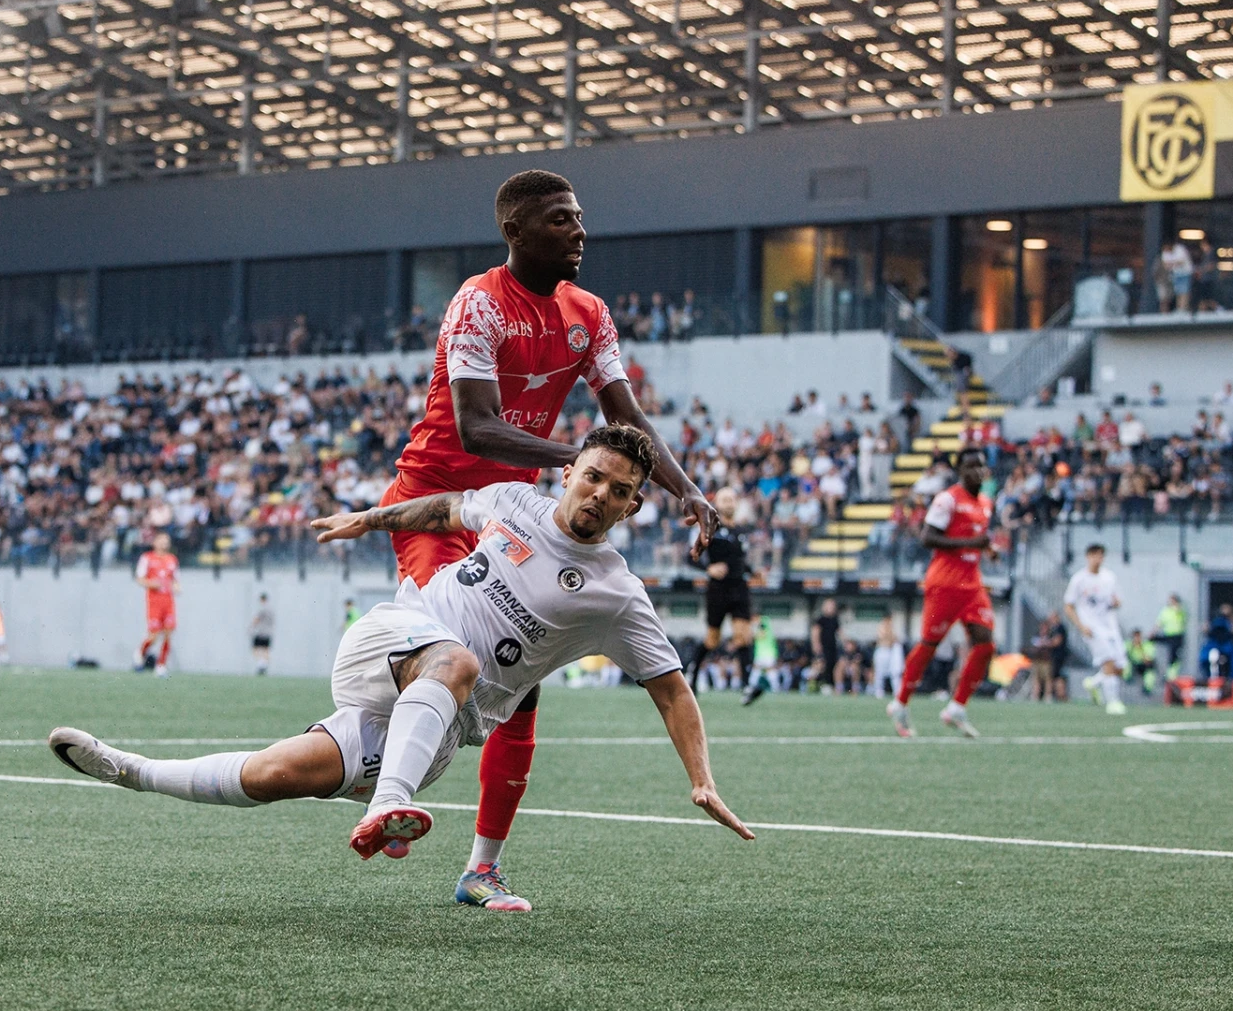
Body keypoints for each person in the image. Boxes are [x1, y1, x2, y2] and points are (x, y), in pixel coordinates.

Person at [49, 426, 753, 902]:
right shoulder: (514, 502)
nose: (601, 494)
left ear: (631, 507)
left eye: (620, 490)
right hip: (394, 639)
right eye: (594, 476)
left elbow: (671, 690)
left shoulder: (616, 595)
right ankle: (391, 804)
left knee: (272, 776)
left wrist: (702, 780)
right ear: (570, 472)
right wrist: (368, 519)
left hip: (437, 725)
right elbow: (448, 509)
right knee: (456, 660)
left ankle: (129, 771)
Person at [376, 170, 716, 910]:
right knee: (440, 656)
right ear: (517, 232)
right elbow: (475, 425)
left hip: (521, 517)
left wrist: (684, 489)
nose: (580, 232)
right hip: (440, 502)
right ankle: (387, 782)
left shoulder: (588, 313)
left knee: (520, 691)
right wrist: (578, 463)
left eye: (582, 218)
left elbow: (625, 416)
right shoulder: (478, 303)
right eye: (562, 220)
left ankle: (481, 869)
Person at [888, 448, 991, 739]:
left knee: (985, 644)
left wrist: (988, 549)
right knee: (930, 644)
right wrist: (973, 542)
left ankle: (957, 707)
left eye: (980, 467)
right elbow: (927, 537)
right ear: (960, 472)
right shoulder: (947, 499)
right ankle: (900, 703)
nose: (977, 472)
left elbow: (978, 540)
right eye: (970, 467)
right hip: (944, 584)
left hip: (972, 584)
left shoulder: (985, 503)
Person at [688, 486, 755, 703]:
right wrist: (708, 569)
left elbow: (740, 561)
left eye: (732, 499)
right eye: (725, 500)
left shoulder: (741, 531)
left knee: (743, 636)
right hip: (718, 590)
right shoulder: (711, 529)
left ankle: (747, 686)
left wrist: (754, 572)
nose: (729, 503)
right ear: (717, 504)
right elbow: (690, 557)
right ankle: (693, 674)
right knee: (712, 640)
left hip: (740, 589)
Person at [1063, 543, 1126, 716]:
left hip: (1110, 626)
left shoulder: (1109, 577)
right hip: (1092, 627)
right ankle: (1112, 702)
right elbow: (1068, 605)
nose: (1098, 559)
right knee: (1109, 662)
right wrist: (1081, 626)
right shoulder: (1079, 579)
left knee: (1120, 667)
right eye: (1094, 555)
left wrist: (1116, 602)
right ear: (1088, 557)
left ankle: (1094, 683)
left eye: (1101, 555)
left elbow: (1117, 600)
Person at [134, 531, 179, 678]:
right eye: (162, 540)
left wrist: (177, 587)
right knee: (153, 635)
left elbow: (176, 579)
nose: (165, 543)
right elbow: (139, 578)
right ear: (155, 542)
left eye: (167, 540)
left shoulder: (172, 559)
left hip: (168, 601)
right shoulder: (147, 558)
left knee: (168, 633)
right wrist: (150, 583)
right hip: (154, 602)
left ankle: (161, 665)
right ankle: (140, 652)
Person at [809, 599, 841, 693]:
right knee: (821, 666)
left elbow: (839, 632)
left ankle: (829, 685)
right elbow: (815, 632)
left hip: (832, 648)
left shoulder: (835, 620)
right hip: (823, 647)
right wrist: (816, 644)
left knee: (832, 666)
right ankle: (816, 685)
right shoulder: (821, 619)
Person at [1152, 593, 1187, 679]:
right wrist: (1153, 632)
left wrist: (1177, 609)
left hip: (1177, 635)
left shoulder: (1180, 610)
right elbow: (1159, 622)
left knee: (1175, 655)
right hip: (1168, 635)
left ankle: (1171, 675)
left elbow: (1184, 618)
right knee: (1169, 654)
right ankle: (1168, 674)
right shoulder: (1166, 611)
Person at [870, 616, 905, 698]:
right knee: (879, 673)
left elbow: (895, 640)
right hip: (882, 651)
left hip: (889, 652)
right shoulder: (881, 628)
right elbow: (884, 638)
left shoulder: (892, 630)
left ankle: (897, 691)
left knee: (894, 673)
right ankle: (878, 690)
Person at [1124, 629, 1156, 697]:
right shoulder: (1128, 644)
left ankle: (1147, 688)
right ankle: (1127, 678)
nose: (1137, 639)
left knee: (1150, 671)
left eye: (1138, 637)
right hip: (1133, 664)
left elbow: (1148, 660)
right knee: (1126, 663)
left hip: (1143, 665)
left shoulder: (1147, 645)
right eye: (1135, 637)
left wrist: (1141, 648)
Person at [249, 593, 274, 676]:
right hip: (268, 632)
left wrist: (251, 627)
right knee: (266, 649)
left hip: (261, 632)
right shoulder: (271, 609)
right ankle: (264, 665)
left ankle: (260, 664)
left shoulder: (262, 608)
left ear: (261, 599)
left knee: (255, 648)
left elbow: (257, 619)